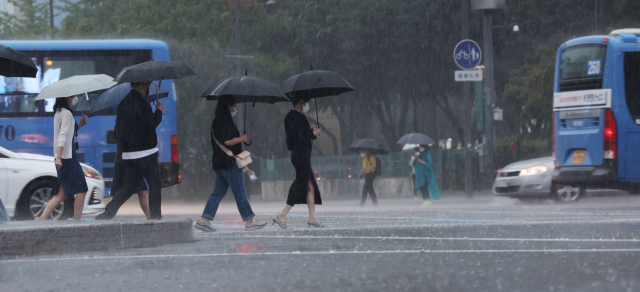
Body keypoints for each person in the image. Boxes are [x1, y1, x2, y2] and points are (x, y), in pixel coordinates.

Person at [194, 96, 267, 232]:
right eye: (233, 106)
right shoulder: (224, 121)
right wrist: (242, 138)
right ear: (227, 106)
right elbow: (227, 141)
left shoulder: (217, 120)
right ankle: (250, 220)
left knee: (217, 193)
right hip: (229, 163)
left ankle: (204, 219)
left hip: (219, 163)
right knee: (240, 193)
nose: (235, 109)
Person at [96, 82, 163, 220]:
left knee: (128, 187)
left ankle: (108, 212)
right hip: (147, 154)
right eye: (147, 85)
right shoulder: (143, 104)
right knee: (155, 186)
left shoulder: (122, 104)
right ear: (143, 85)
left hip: (130, 156)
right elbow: (151, 124)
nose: (148, 89)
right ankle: (156, 218)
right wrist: (158, 111)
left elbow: (119, 133)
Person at [272, 96, 323, 229]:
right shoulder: (299, 118)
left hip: (298, 155)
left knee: (310, 186)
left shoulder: (288, 117)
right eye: (305, 101)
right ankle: (283, 213)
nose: (306, 104)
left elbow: (296, 137)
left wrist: (312, 133)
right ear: (301, 102)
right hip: (302, 156)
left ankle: (312, 217)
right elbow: (301, 137)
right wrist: (313, 133)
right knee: (301, 183)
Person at [35, 95, 88, 220]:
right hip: (67, 158)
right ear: (68, 98)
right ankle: (77, 221)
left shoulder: (59, 112)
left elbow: (68, 131)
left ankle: (42, 218)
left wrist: (80, 124)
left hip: (62, 157)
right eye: (74, 95)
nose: (75, 97)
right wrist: (59, 157)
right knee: (82, 189)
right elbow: (63, 135)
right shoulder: (67, 114)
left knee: (62, 194)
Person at [110, 123, 151, 219]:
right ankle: (107, 216)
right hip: (125, 161)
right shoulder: (122, 119)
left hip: (130, 161)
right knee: (119, 193)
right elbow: (117, 137)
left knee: (142, 191)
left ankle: (150, 218)